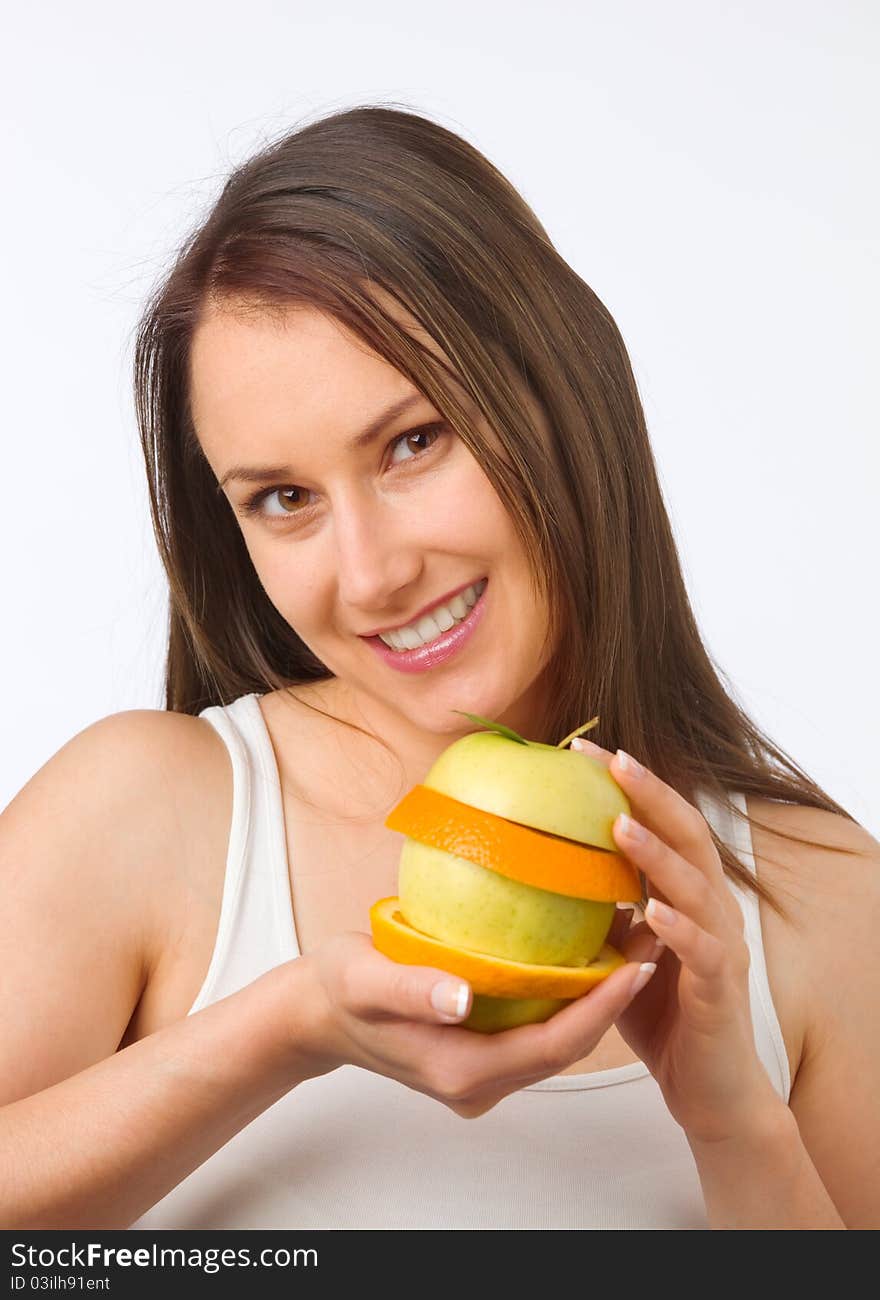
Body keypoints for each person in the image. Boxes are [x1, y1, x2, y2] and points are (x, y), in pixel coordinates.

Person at [1, 104, 877, 1232]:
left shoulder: (825, 898)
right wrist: (285, 1024)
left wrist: (731, 1122)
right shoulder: (144, 809)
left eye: (412, 443)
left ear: (558, 396)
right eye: (284, 499)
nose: (369, 576)